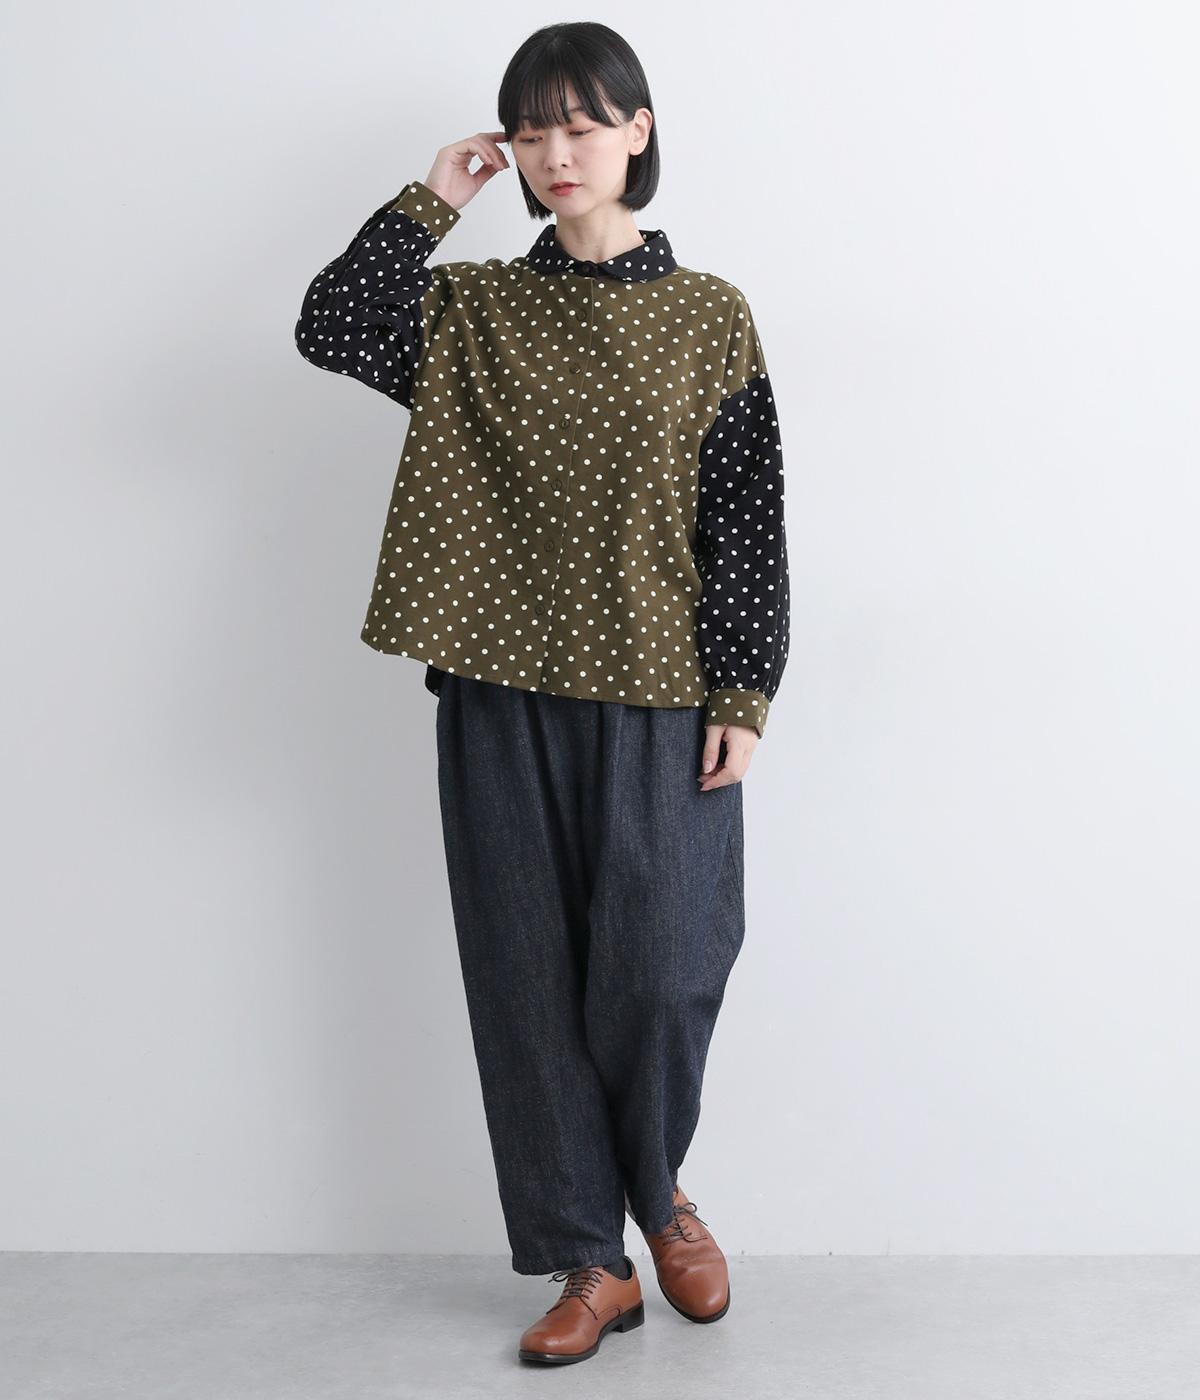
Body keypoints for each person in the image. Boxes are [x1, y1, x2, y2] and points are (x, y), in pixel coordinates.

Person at [294, 20, 790, 1367]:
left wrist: (743, 689)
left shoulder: (709, 316)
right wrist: (433, 200)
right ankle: (591, 1259)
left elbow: (746, 517)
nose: (555, 151)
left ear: (637, 130)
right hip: (499, 689)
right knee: (525, 982)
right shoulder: (472, 312)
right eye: (530, 129)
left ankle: (659, 1193)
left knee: (666, 968)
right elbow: (330, 325)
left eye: (581, 123)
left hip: (662, 692)